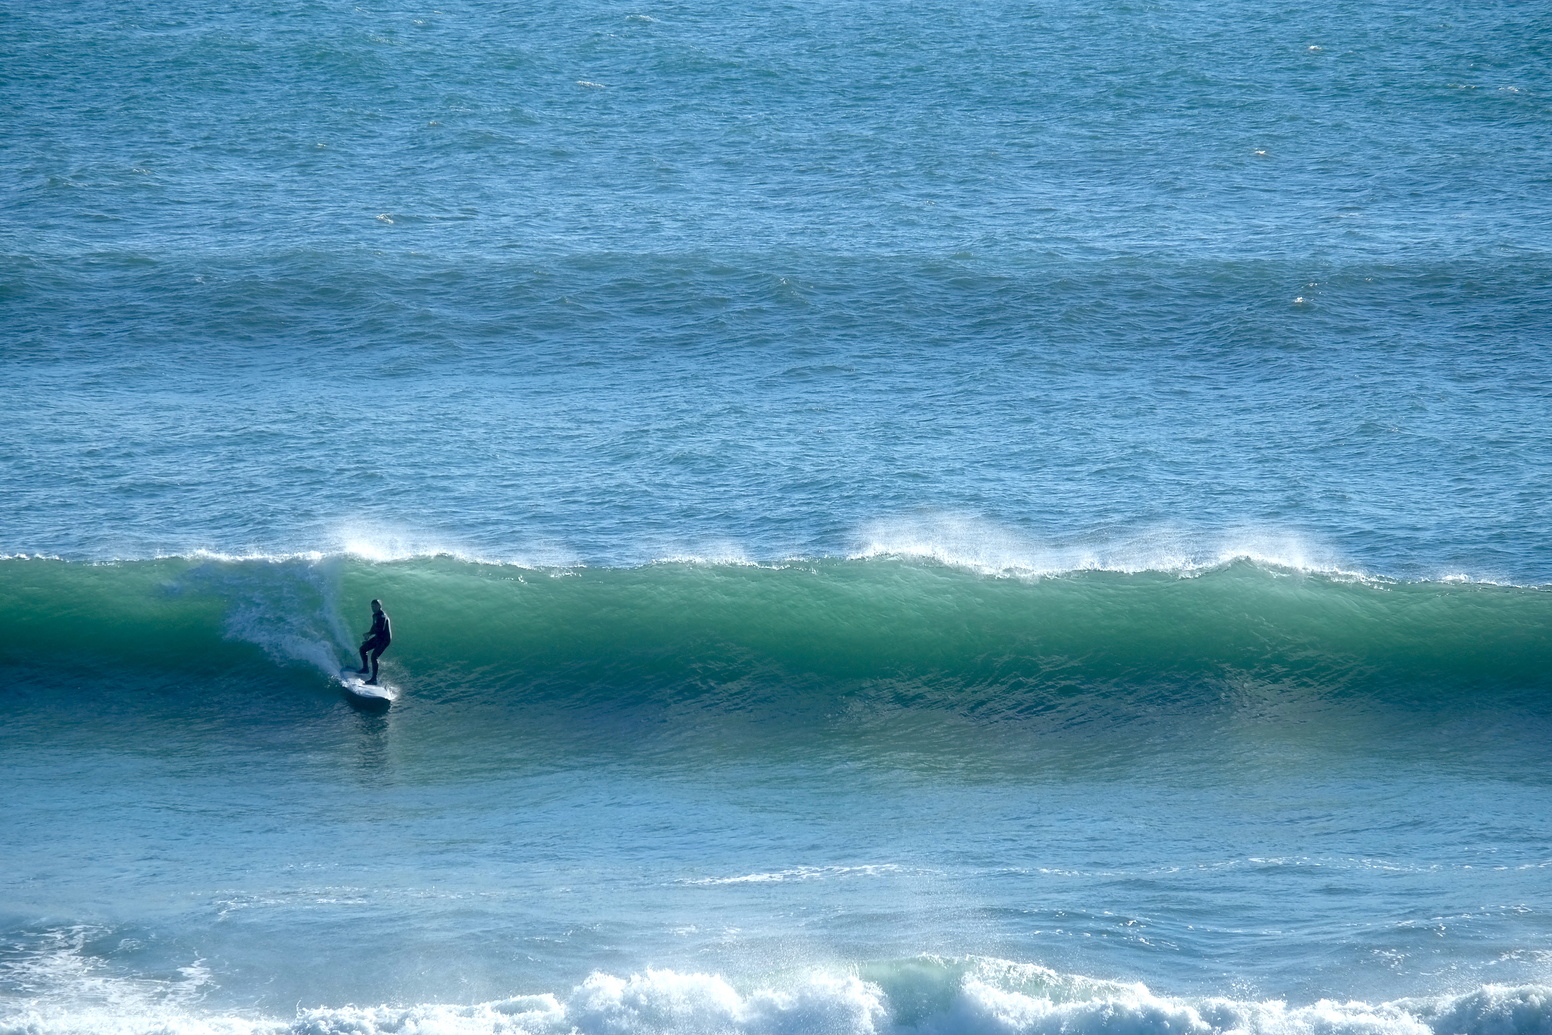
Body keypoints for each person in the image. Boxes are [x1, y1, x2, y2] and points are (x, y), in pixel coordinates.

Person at [357, 599, 392, 684]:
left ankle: (374, 679)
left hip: (385, 639)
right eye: (372, 606)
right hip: (378, 637)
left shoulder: (382, 616)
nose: (373, 607)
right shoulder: (375, 615)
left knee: (374, 657)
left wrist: (369, 634)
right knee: (362, 649)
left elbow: (380, 629)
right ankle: (365, 669)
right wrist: (369, 635)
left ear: (380, 606)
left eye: (375, 606)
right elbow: (374, 626)